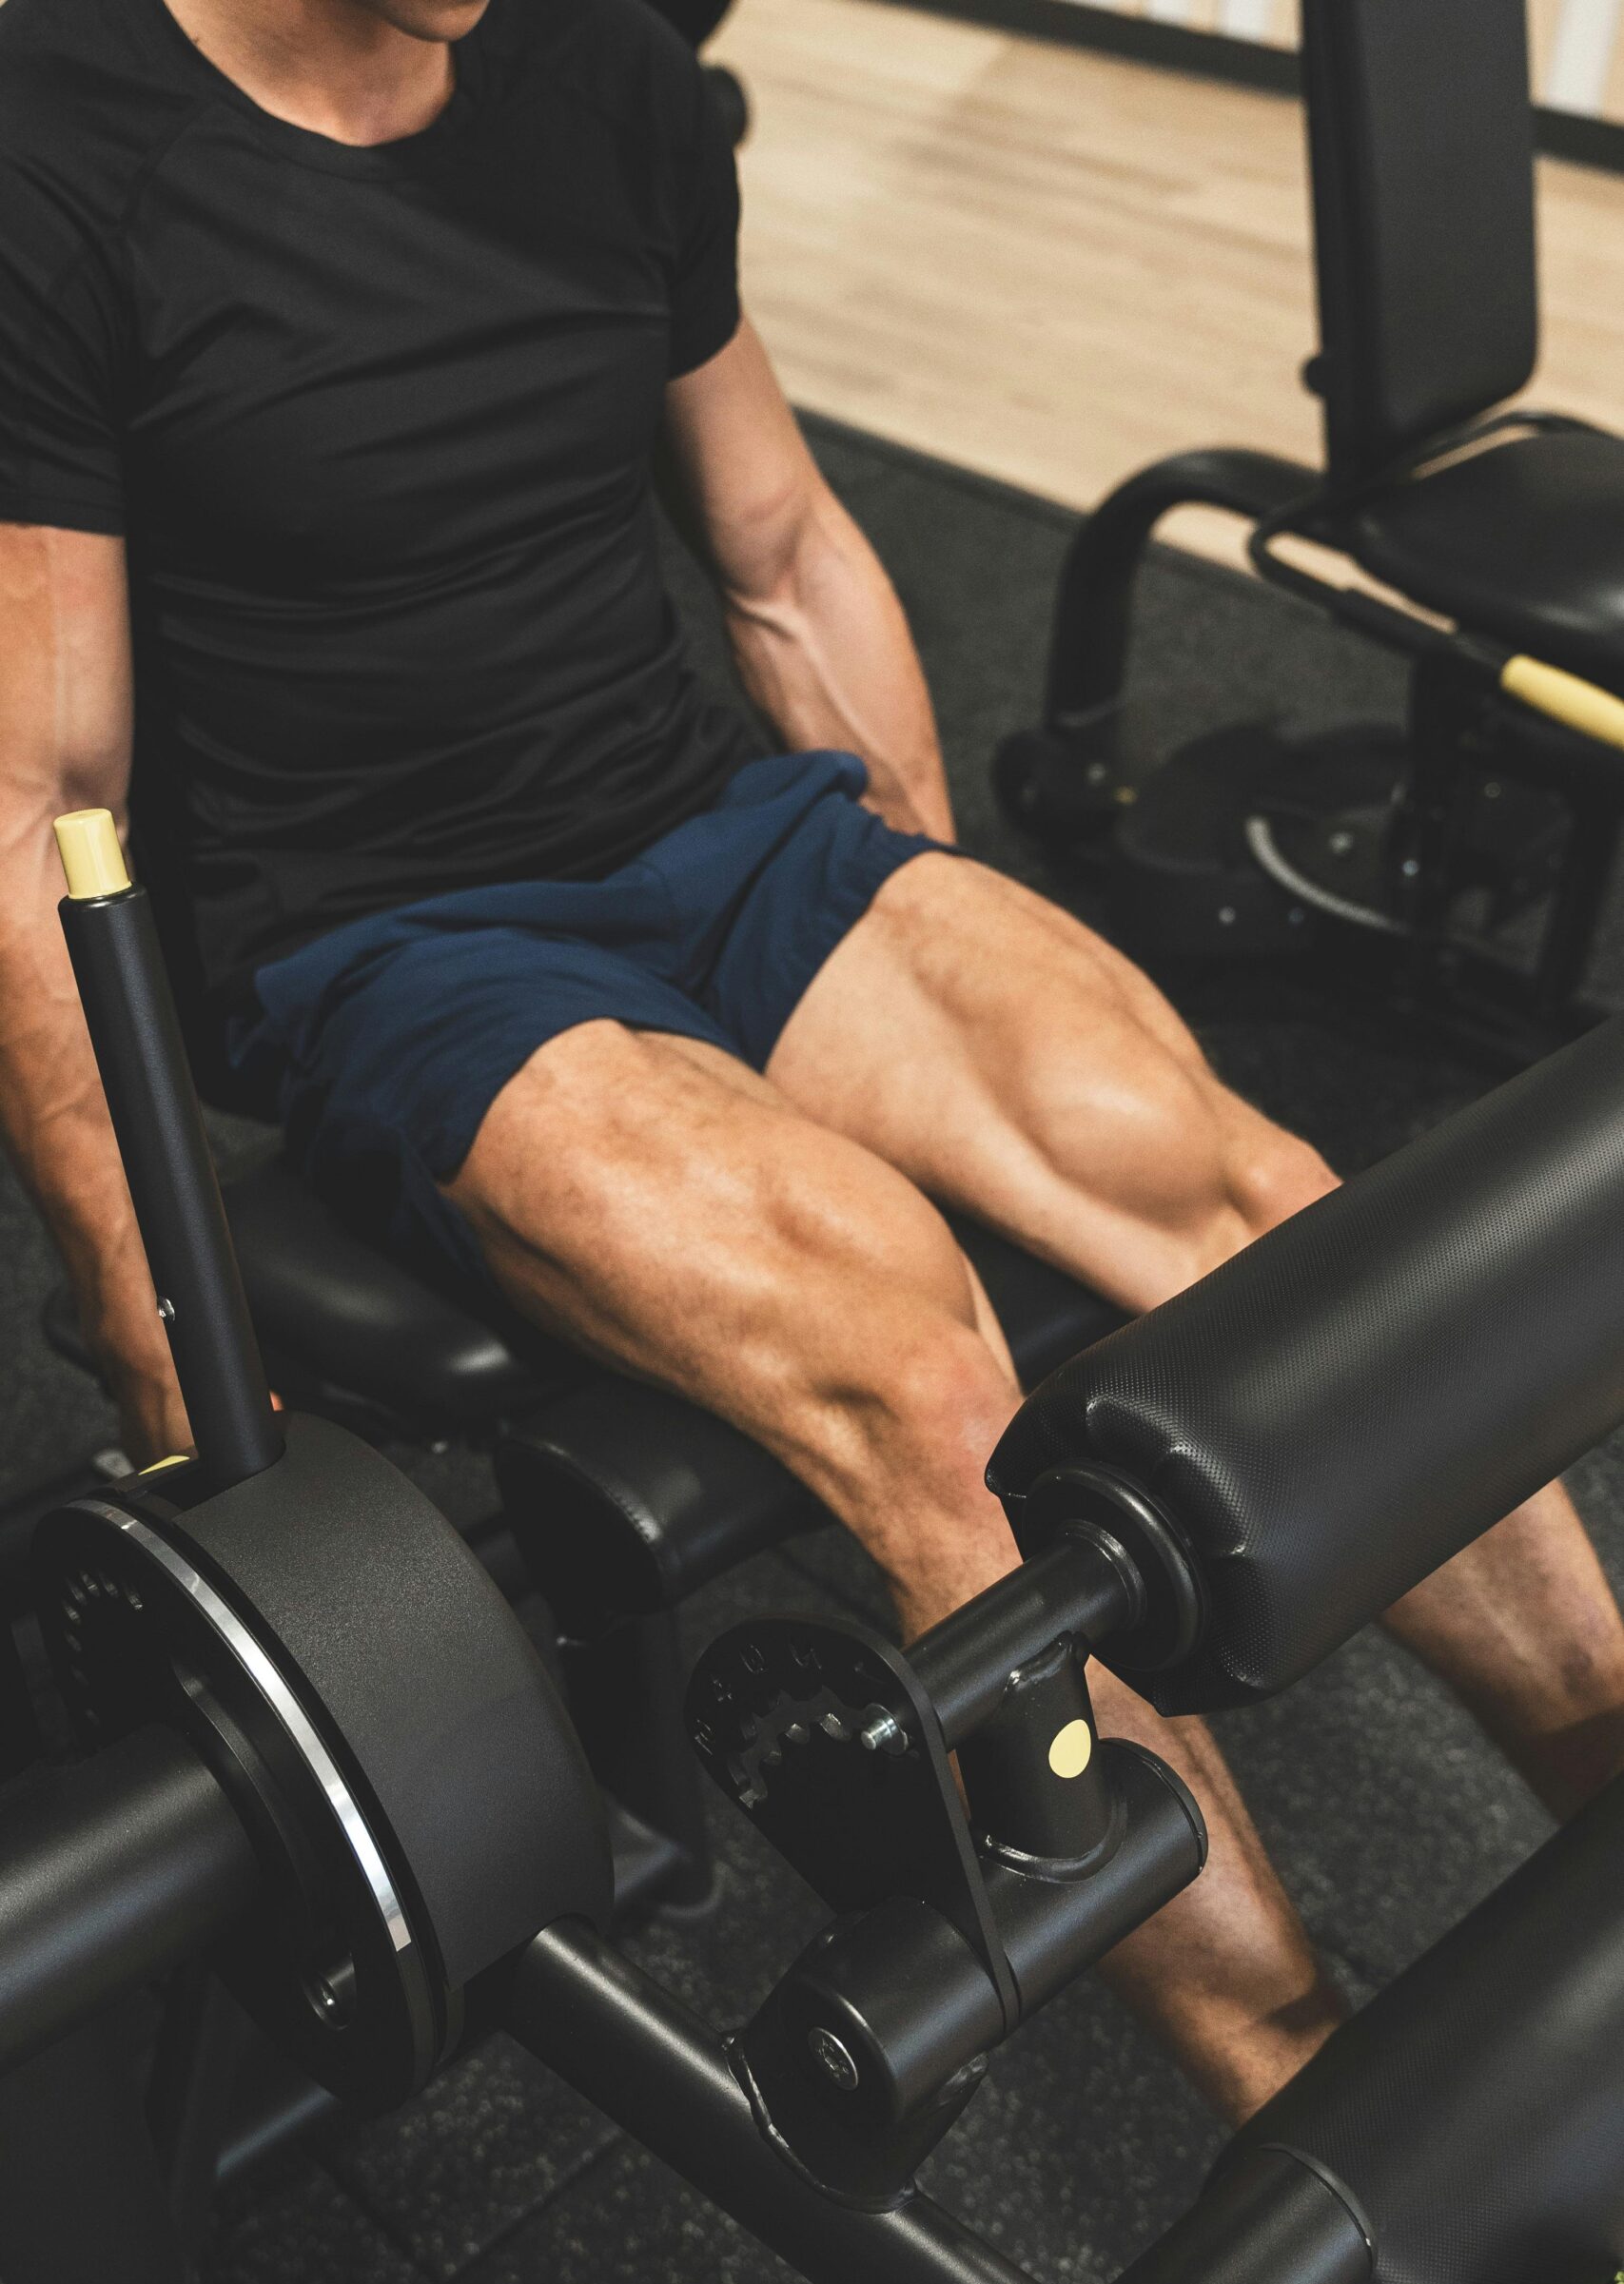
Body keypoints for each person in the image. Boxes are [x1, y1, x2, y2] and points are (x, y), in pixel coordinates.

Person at [2, 0, 1621, 2128]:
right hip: (394, 942)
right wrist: (146, 1303)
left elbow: (776, 553)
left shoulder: (603, 71)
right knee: (919, 1373)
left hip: (712, 826)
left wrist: (925, 911)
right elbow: (39, 799)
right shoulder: (58, 150)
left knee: (1245, 1194)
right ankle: (1305, 2119)